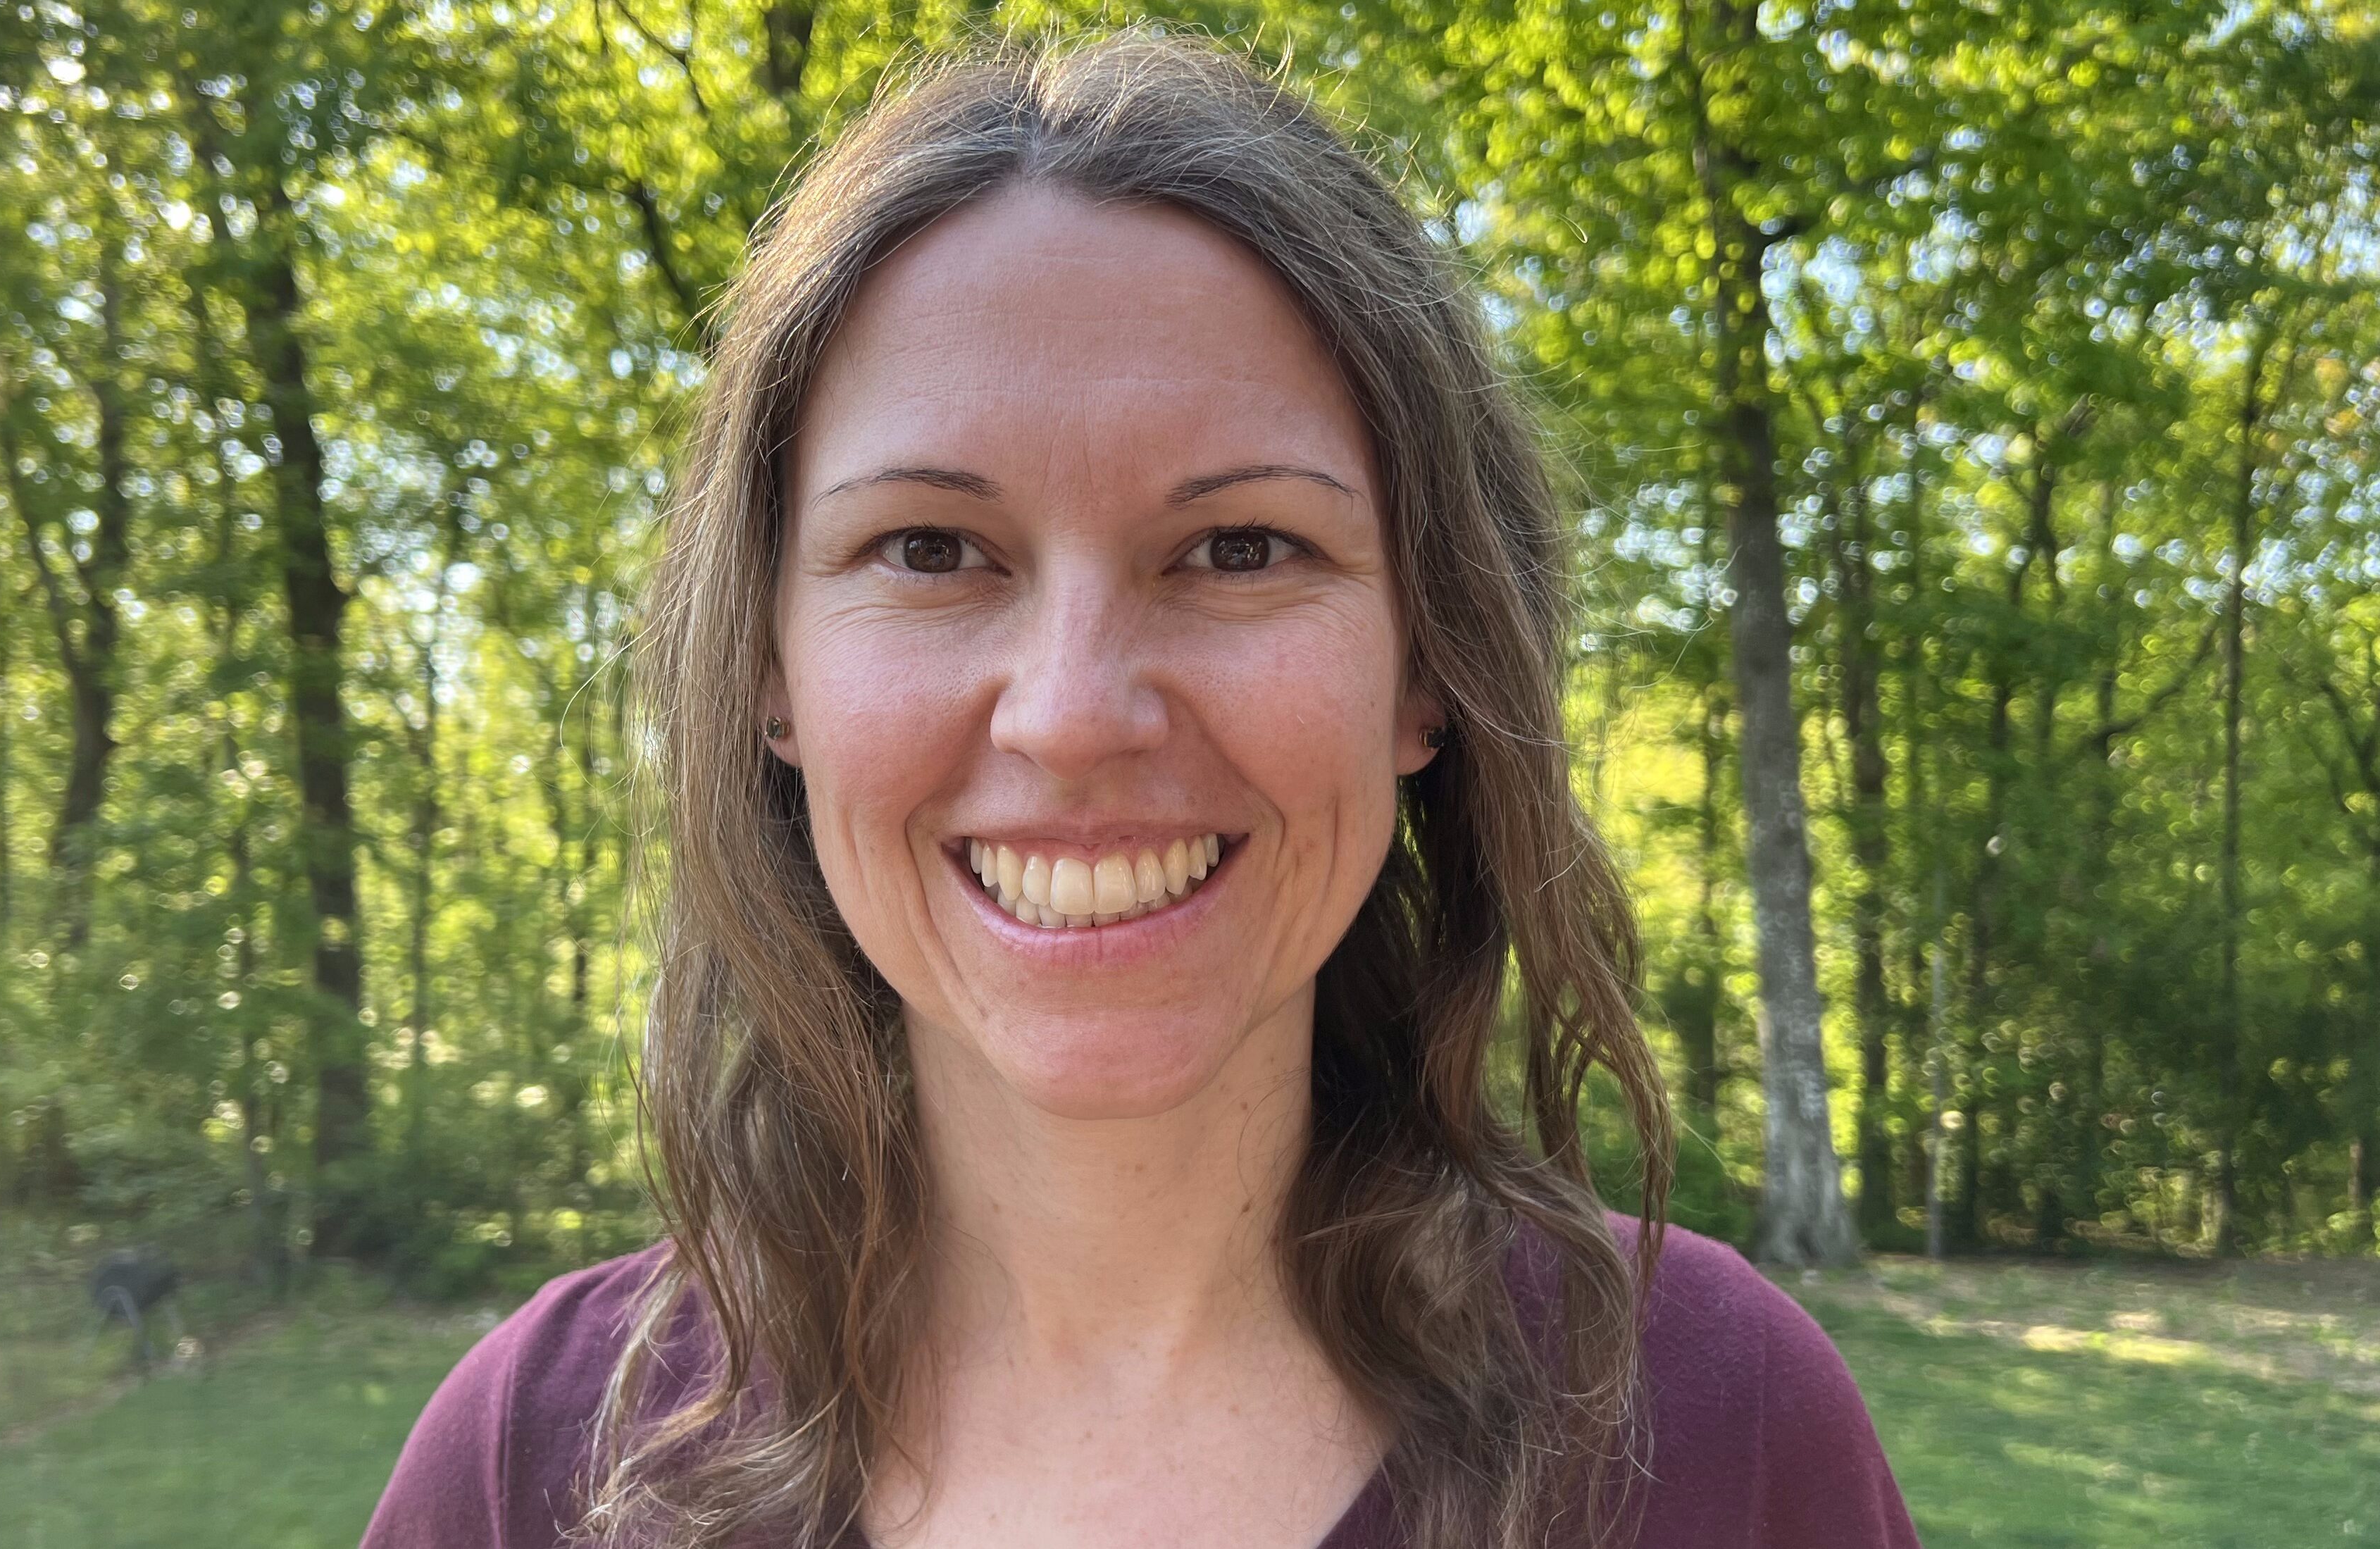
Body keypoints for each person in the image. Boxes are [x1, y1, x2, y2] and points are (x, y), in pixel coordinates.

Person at [361, 27, 1918, 1549]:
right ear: (771, 673)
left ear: (1427, 665)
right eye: (929, 549)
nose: (1071, 713)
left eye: (1239, 548)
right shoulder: (539, 1464)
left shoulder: (1719, 1429)